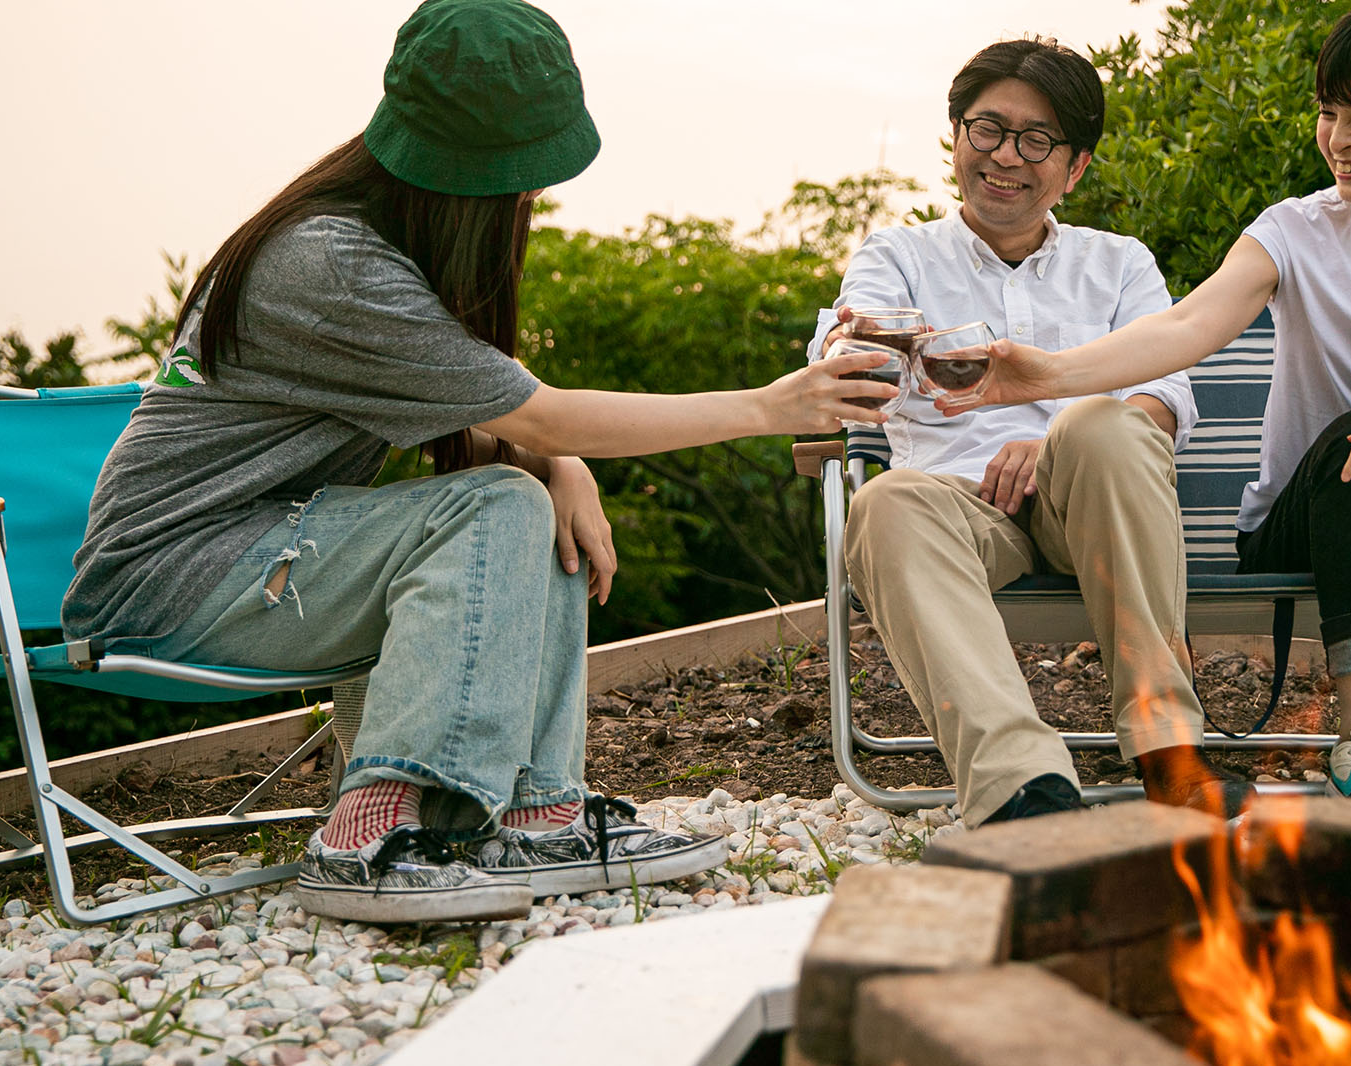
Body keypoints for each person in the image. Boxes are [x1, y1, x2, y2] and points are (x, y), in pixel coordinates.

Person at [60, 0, 897, 924]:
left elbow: (511, 425)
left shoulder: (371, 247)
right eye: (522, 178)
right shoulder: (328, 263)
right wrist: (770, 406)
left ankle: (541, 815)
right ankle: (368, 834)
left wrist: (559, 464)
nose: (531, 199)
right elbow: (538, 410)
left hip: (271, 559)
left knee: (522, 493)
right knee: (498, 500)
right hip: (176, 580)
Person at [961, 1, 1351, 844]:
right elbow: (1185, 330)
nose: (1337, 136)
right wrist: (1045, 374)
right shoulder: (1296, 232)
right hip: (1308, 526)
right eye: (1329, 111)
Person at [814, 37, 1253, 831]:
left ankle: (1170, 753)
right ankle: (1023, 786)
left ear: (1075, 166)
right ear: (955, 137)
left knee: (1103, 423)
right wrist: (855, 351)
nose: (1005, 156)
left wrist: (1054, 437)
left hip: (1090, 501)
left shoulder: (1118, 264)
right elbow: (852, 359)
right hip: (958, 511)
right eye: (987, 129)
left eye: (1036, 139)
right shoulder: (899, 255)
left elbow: (1163, 399)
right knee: (884, 503)